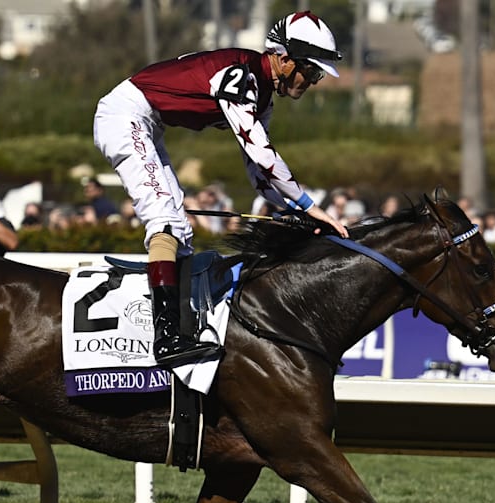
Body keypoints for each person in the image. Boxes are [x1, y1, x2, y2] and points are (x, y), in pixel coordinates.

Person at [93, 10, 348, 368]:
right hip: (124, 117)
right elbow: (262, 155)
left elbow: (258, 175)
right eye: (312, 70)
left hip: (145, 122)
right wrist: (307, 204)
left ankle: (179, 328)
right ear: (285, 59)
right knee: (165, 221)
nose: (314, 80)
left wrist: (294, 214)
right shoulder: (243, 77)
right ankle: (166, 339)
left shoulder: (262, 97)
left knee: (179, 231)